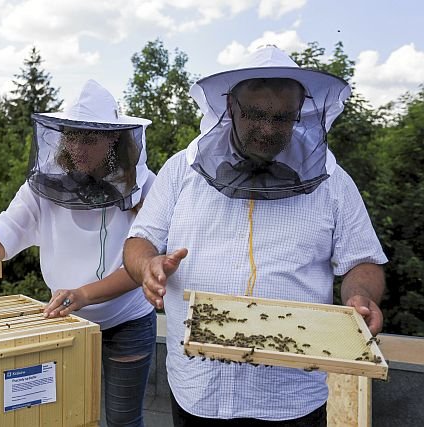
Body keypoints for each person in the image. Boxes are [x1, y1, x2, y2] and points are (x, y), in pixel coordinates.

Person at [123, 46, 387, 426]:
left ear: (300, 113)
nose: (267, 129)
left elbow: (364, 259)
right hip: (199, 386)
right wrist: (147, 265)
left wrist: (360, 296)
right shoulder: (181, 170)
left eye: (281, 118)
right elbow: (138, 241)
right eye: (256, 114)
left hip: (291, 396)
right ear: (230, 106)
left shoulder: (333, 179)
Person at [0, 79, 157, 427]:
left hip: (127, 322)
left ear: (114, 139)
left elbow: (143, 262)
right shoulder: (45, 185)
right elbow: (2, 234)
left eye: (89, 138)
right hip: (66, 320)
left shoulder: (144, 186)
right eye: (70, 136)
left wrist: (84, 294)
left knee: (123, 420)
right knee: (65, 418)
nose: (77, 147)